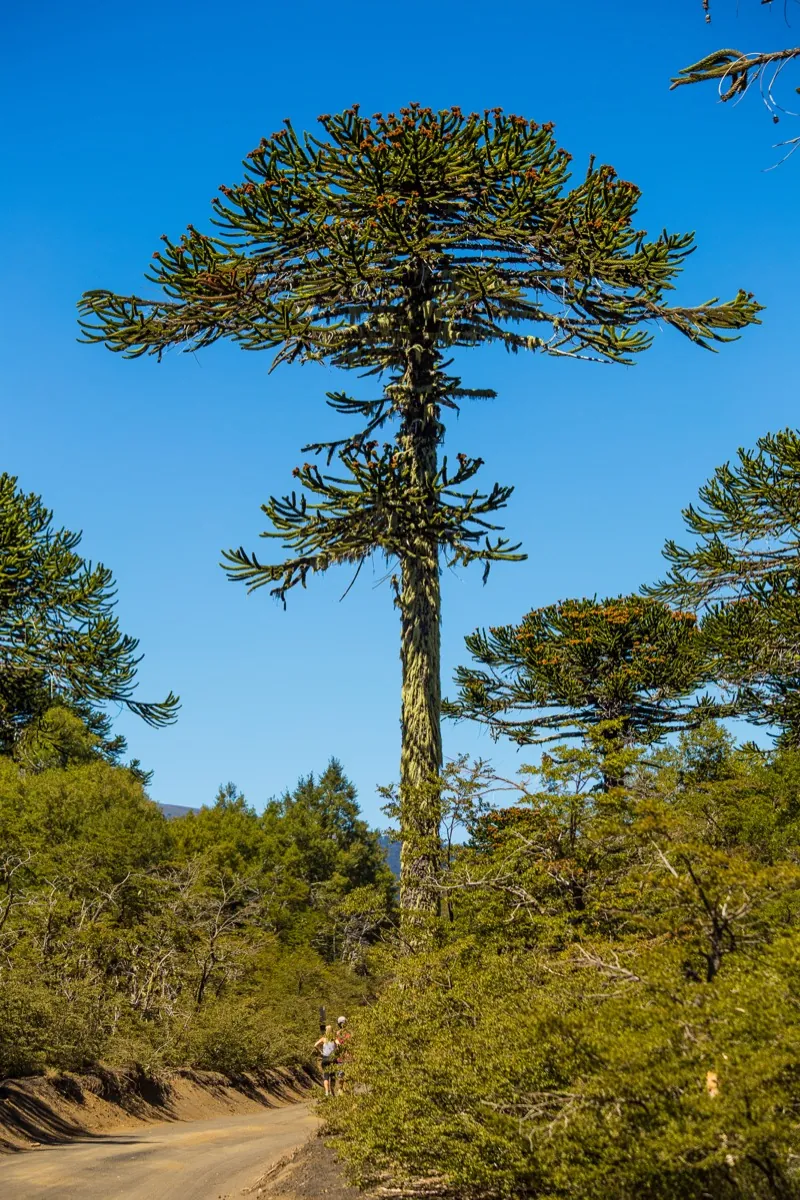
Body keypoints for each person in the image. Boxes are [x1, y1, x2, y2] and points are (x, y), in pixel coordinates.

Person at [314, 1024, 337, 1096]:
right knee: (332, 1076)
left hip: (325, 1058)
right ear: (332, 1030)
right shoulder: (334, 1038)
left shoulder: (323, 1039)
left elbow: (315, 1045)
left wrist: (320, 1051)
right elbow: (339, 1044)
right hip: (332, 1059)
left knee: (326, 1076)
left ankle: (327, 1092)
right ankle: (332, 1091)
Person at [335, 1015, 352, 1095]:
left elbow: (336, 1046)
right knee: (347, 1077)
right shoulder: (349, 1033)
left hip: (340, 1058)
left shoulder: (337, 1034)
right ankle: (346, 1093)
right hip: (348, 1058)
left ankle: (341, 1092)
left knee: (340, 1076)